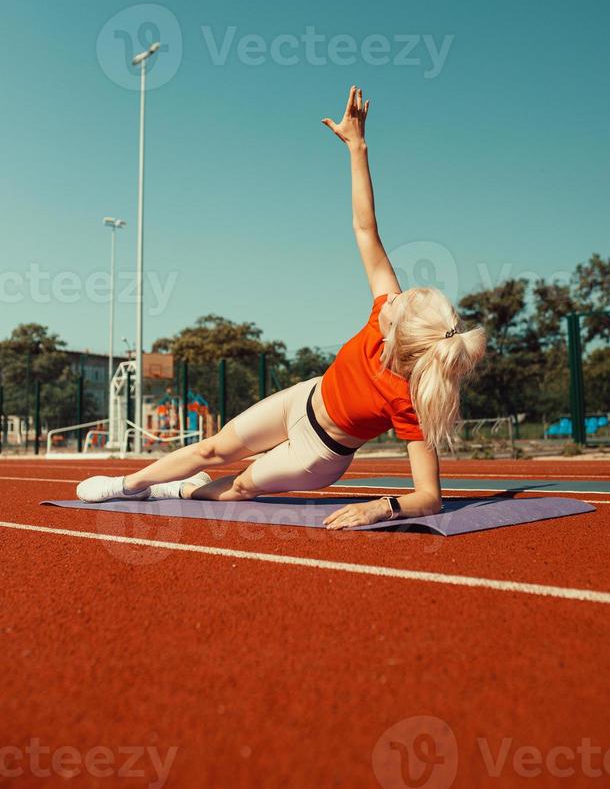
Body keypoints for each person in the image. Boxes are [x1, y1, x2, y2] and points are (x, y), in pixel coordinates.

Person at [77, 87, 486, 529]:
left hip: (318, 454)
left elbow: (429, 498)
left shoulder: (409, 398)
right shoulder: (384, 313)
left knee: (239, 487)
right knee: (213, 448)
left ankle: (176, 489)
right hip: (302, 398)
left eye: (402, 302)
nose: (394, 296)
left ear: (398, 337)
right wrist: (357, 146)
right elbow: (366, 228)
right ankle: (130, 484)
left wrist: (382, 506)